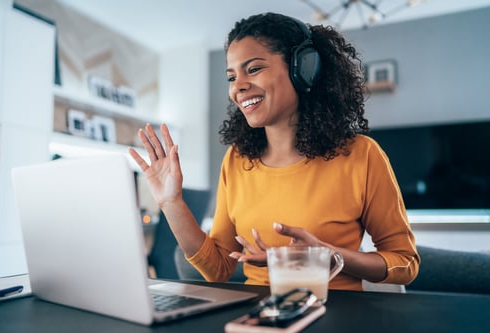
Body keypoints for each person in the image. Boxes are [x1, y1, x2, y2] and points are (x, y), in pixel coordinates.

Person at [129, 12, 419, 291]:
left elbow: (405, 263)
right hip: (258, 316)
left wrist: (329, 255)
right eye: (231, 77)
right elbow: (218, 268)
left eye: (253, 69)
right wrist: (171, 202)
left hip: (335, 312)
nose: (238, 87)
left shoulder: (362, 155)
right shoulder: (237, 159)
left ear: (304, 69)